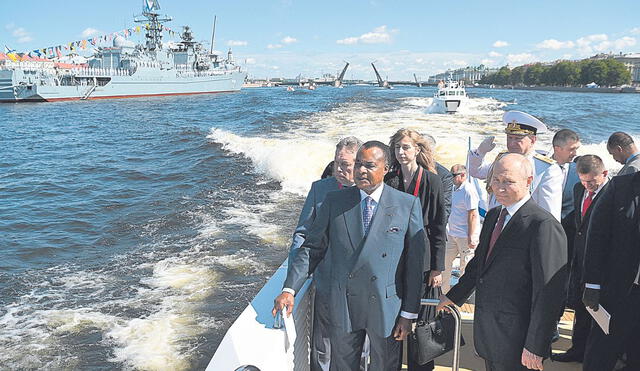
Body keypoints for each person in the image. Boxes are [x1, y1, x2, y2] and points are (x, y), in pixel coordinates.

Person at [274, 141, 427, 370]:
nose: (361, 171)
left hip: (386, 307)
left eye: (369, 165)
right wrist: (289, 289)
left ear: (386, 169)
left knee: (385, 366)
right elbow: (312, 248)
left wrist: (408, 313)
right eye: (358, 165)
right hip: (344, 304)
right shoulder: (335, 201)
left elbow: (415, 265)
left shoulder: (407, 205)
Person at [437, 153, 568, 371]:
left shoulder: (543, 226)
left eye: (508, 181)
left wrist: (536, 345)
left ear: (528, 181)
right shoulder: (494, 215)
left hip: (519, 339)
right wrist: (453, 297)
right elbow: (479, 266)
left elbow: (549, 293)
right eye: (495, 181)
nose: (499, 188)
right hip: (490, 333)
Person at [287, 136, 361, 371]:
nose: (339, 169)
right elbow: (302, 234)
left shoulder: (372, 192)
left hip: (361, 290)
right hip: (326, 283)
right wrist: (292, 281)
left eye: (346, 165)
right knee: (323, 348)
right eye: (337, 163)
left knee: (359, 349)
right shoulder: (320, 189)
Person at [385, 129, 447, 371]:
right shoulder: (390, 181)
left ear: (417, 150)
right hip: (395, 259)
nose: (401, 152)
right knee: (395, 317)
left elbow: (439, 225)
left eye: (406, 147)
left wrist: (437, 267)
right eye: (398, 148)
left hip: (423, 260)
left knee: (422, 323)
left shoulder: (432, 181)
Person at [552, 155, 609, 363]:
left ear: (604, 174)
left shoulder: (611, 195)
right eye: (583, 181)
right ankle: (577, 350)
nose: (588, 186)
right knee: (579, 307)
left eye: (592, 182)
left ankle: (592, 355)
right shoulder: (578, 190)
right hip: (578, 260)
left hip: (601, 266)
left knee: (596, 312)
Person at [581, 171, 640, 371]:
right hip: (620, 290)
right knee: (601, 354)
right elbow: (596, 236)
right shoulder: (620, 187)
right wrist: (592, 284)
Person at [468, 110, 564, 221]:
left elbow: (550, 215)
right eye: (509, 137)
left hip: (522, 231)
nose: (512, 143)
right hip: (495, 225)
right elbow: (476, 172)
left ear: (532, 140)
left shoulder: (547, 169)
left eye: (518, 139)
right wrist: (480, 152)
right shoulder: (502, 159)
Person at [442, 164, 480, 294]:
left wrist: (471, 236)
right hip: (452, 234)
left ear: (463, 175)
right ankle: (444, 293)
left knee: (465, 267)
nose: (450, 178)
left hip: (465, 236)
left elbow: (473, 214)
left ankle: (461, 296)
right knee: (445, 263)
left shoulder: (468, 190)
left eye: (453, 175)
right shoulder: (453, 188)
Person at [422, 133, 454, 220]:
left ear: (431, 152)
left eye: (422, 150)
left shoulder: (444, 175)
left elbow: (444, 208)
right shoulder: (406, 169)